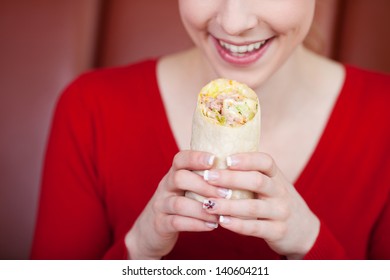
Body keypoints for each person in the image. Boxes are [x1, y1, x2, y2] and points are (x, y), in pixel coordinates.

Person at [31, 0, 390, 260]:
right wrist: (137, 250)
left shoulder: (382, 117)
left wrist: (311, 245)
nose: (234, 23)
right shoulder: (91, 107)